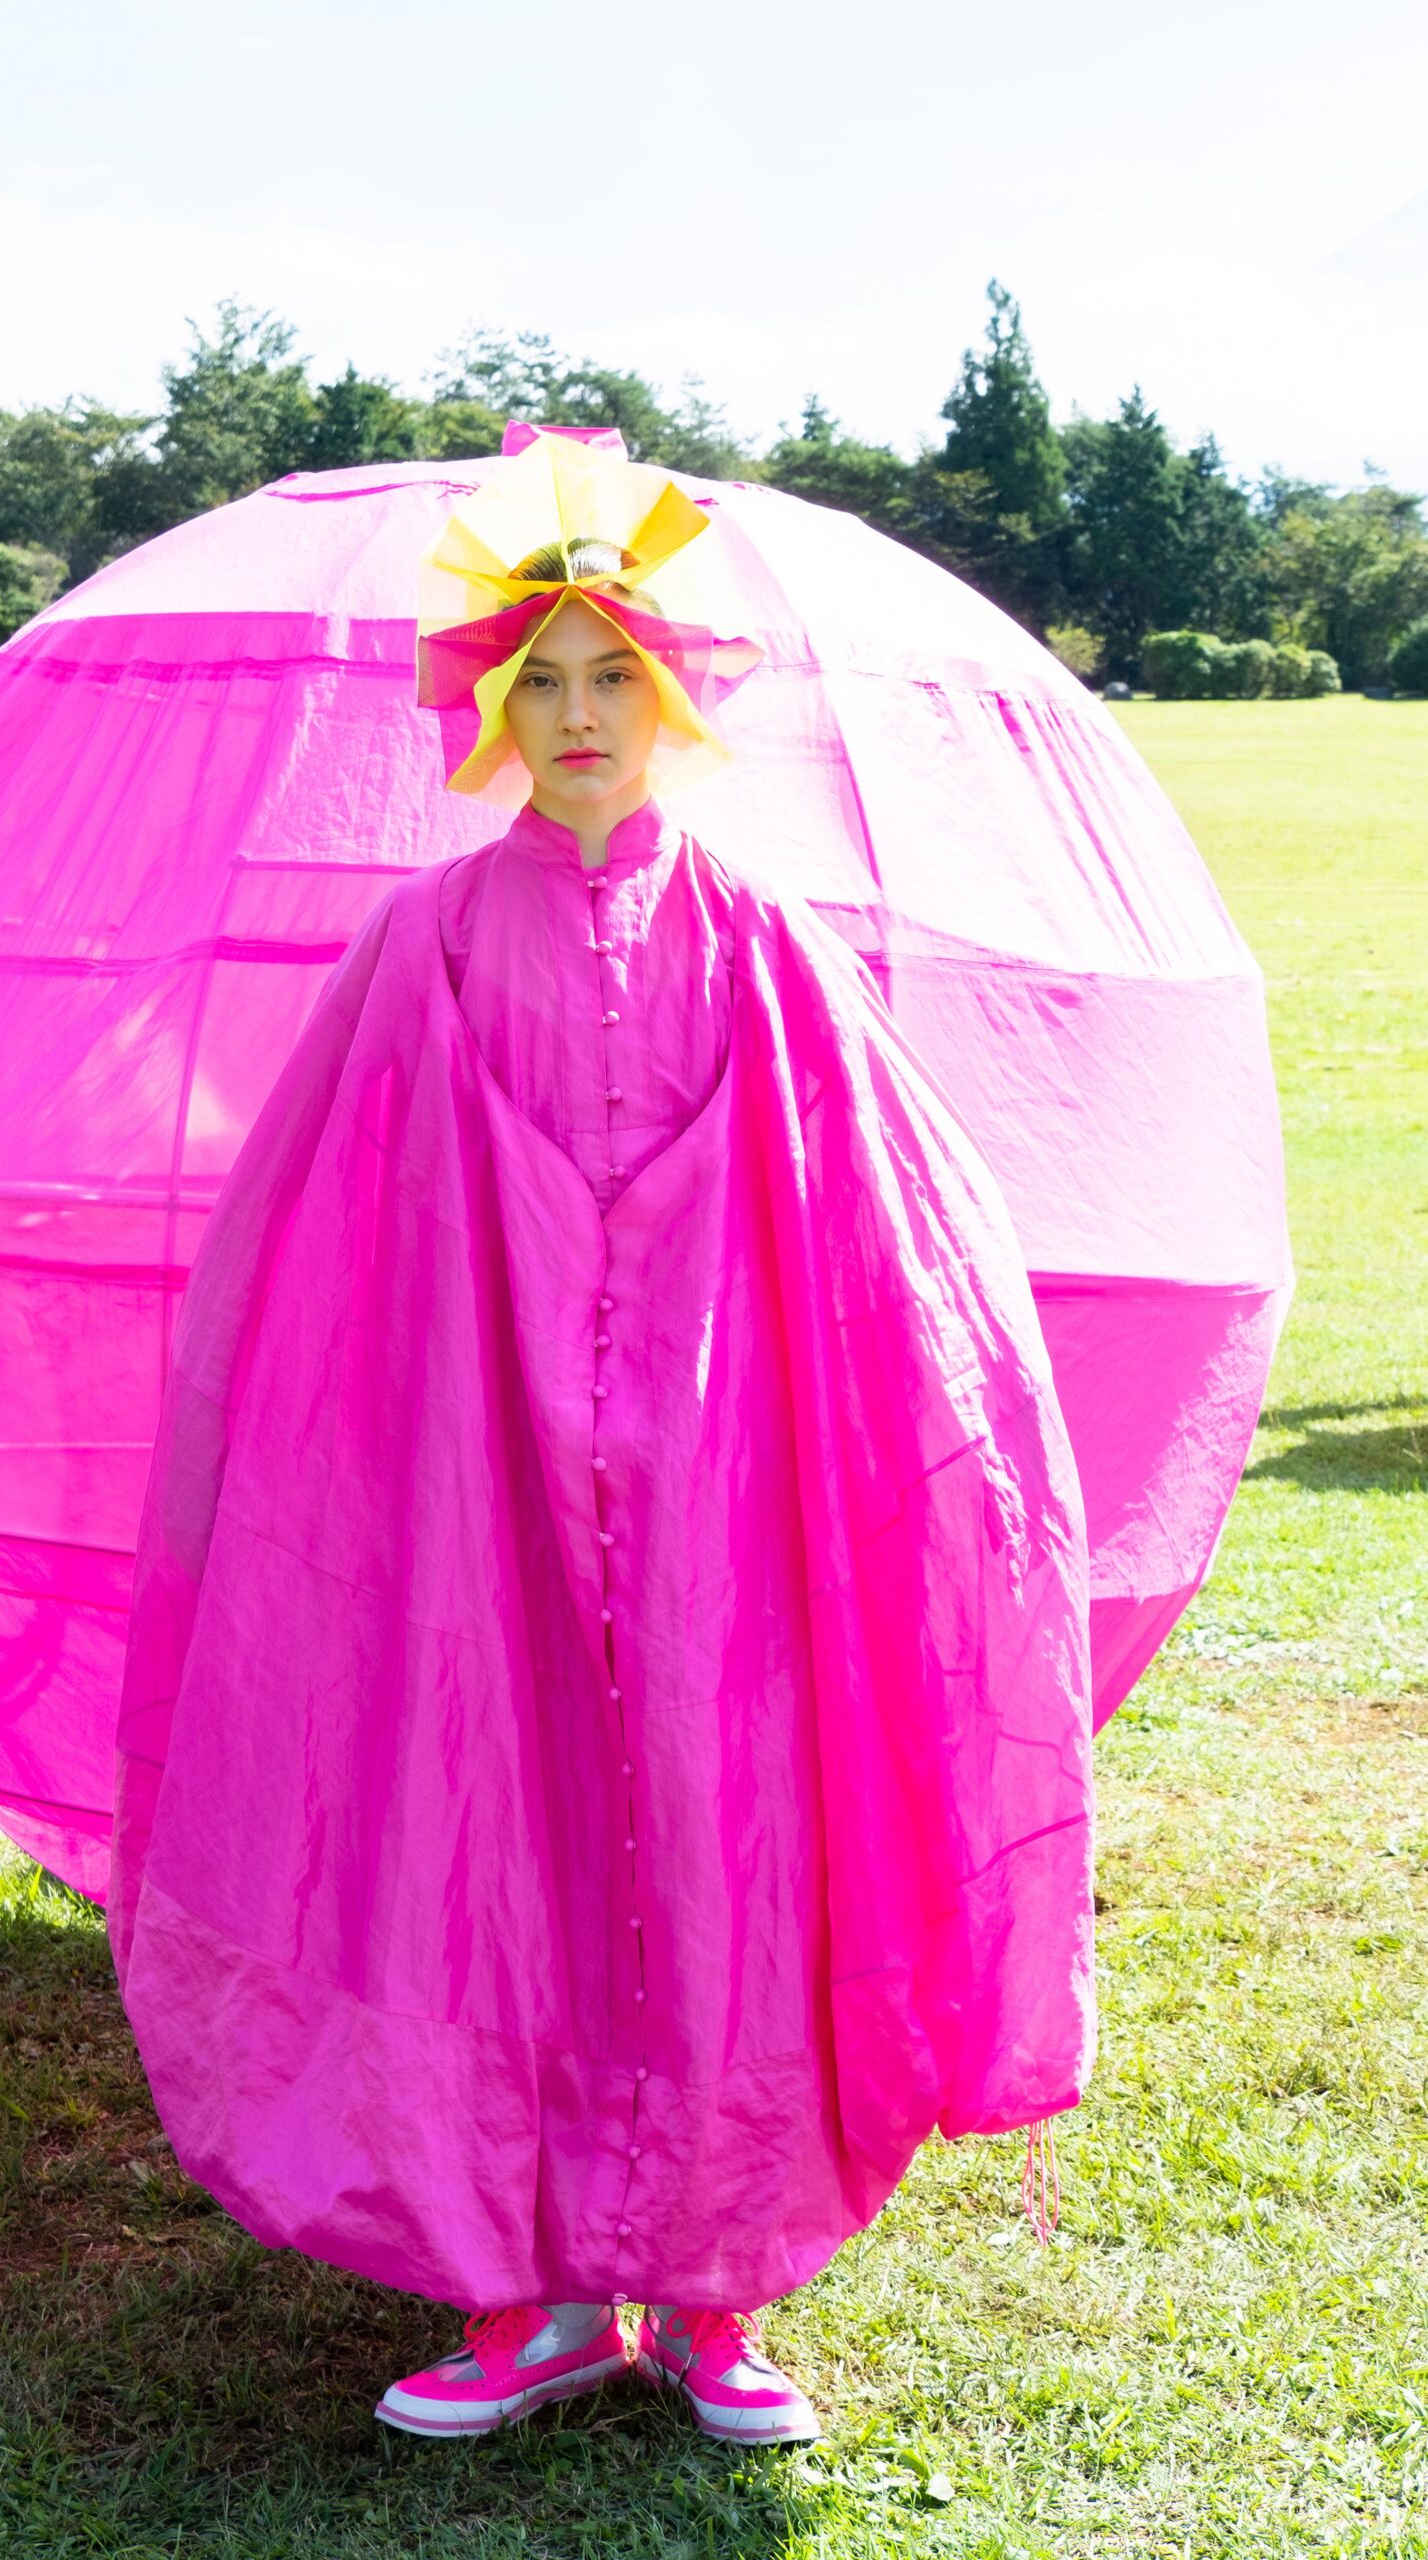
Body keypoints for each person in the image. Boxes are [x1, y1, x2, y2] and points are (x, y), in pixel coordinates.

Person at [109, 432, 1096, 2445]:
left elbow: (877, 1222)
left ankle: (715, 2282)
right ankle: (525, 2282)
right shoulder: (432, 940)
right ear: (490, 705)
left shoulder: (755, 938)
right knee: (493, 1827)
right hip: (477, 1481)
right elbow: (337, 1228)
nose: (575, 718)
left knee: (719, 1823)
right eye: (539, 680)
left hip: (724, 1482)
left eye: (609, 679)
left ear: (670, 699)